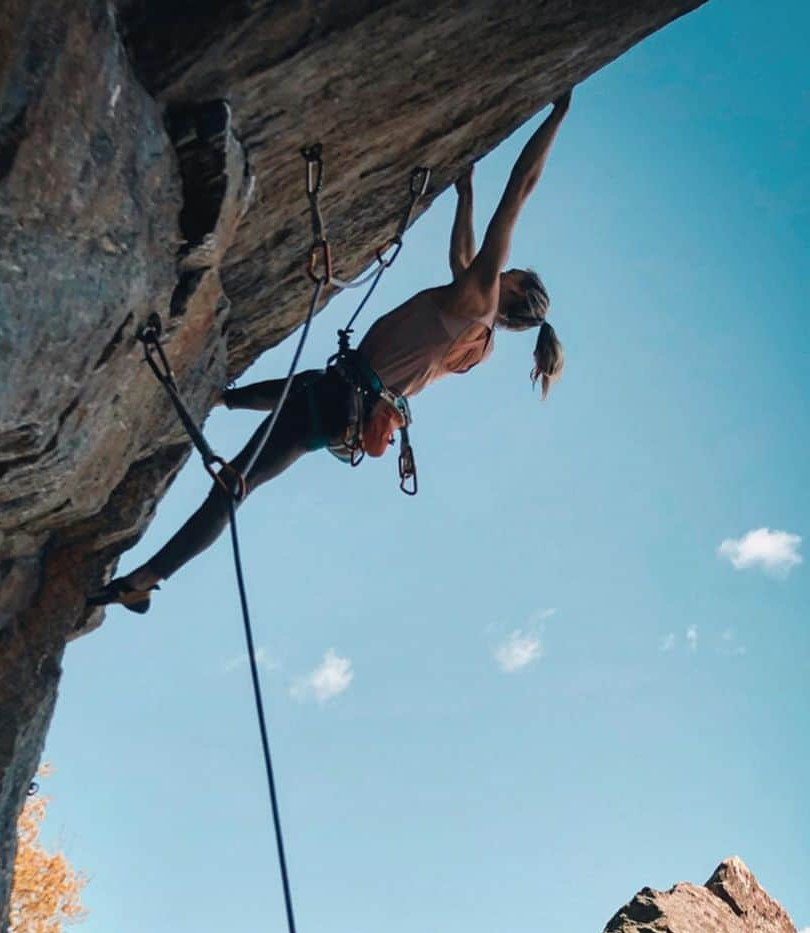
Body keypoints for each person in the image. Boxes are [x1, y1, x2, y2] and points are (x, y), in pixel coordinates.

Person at [94, 94, 571, 613]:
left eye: (514, 274)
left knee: (233, 484)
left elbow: (520, 191)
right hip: (338, 401)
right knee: (285, 400)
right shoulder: (477, 335)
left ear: (518, 294)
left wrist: (556, 115)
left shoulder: (480, 297)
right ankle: (219, 401)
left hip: (334, 403)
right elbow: (462, 256)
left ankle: (144, 578)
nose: (505, 269)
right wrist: (465, 190)